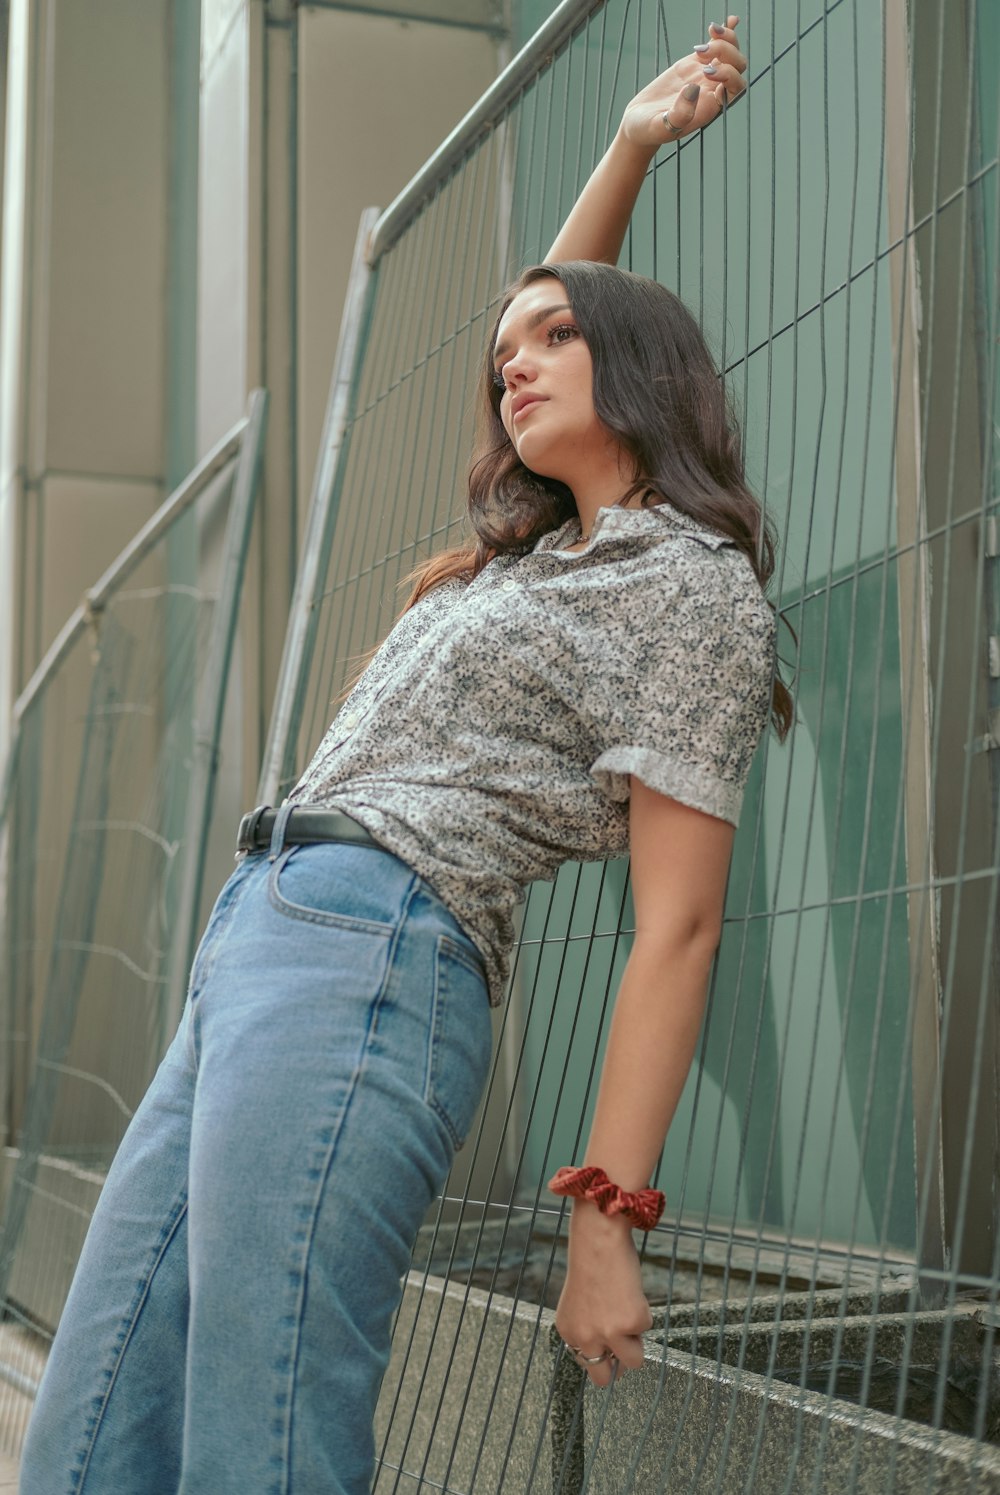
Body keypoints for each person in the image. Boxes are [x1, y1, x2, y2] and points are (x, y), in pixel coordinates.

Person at [22, 16, 788, 1493]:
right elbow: (545, 323)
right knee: (100, 1404)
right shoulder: (537, 553)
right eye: (506, 352)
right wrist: (626, 140)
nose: (517, 362)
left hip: (376, 958)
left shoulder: (690, 588)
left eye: (559, 340)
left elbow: (677, 926)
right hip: (255, 939)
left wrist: (604, 1219)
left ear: (638, 360)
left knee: (263, 1425)